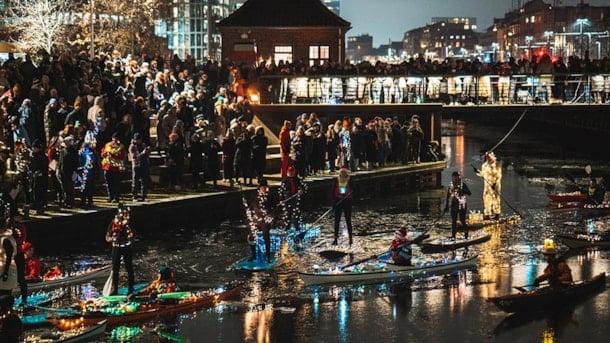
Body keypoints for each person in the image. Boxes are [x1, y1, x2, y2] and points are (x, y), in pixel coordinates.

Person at [104, 204, 135, 295]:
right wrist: (112, 239)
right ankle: (115, 289)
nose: (125, 216)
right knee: (115, 269)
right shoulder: (114, 222)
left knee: (129, 268)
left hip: (126, 247)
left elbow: (132, 234)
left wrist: (130, 236)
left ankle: (131, 288)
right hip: (116, 247)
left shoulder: (128, 223)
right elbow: (107, 236)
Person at [445, 171, 472, 239]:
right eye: (453, 178)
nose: (454, 180)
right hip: (454, 205)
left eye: (455, 178)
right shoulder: (451, 186)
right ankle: (453, 235)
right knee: (454, 221)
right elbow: (448, 196)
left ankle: (466, 235)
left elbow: (469, 193)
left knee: (462, 220)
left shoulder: (462, 185)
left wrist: (462, 191)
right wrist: (446, 205)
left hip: (462, 204)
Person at [101, 132, 127, 203]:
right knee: (108, 183)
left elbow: (121, 156)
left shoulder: (121, 147)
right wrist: (104, 154)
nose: (114, 140)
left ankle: (116, 197)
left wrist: (112, 154)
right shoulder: (107, 145)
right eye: (113, 138)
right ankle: (110, 196)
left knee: (116, 183)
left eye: (116, 139)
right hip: (107, 166)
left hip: (116, 167)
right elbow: (102, 153)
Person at [332, 166, 355, 246]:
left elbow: (353, 190)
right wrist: (334, 202)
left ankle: (351, 239)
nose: (343, 174)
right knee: (336, 221)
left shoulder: (350, 180)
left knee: (348, 220)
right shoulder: (336, 181)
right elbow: (333, 192)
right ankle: (335, 239)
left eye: (344, 173)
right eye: (341, 172)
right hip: (338, 201)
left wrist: (349, 195)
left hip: (347, 201)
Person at [279, 166, 306, 231]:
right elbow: (281, 191)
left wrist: (302, 190)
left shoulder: (298, 180)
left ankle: (297, 227)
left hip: (295, 199)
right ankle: (287, 227)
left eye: (292, 172)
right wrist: (281, 200)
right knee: (288, 214)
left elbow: (304, 187)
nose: (291, 173)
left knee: (296, 214)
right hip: (287, 200)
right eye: (290, 172)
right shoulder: (284, 180)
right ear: (288, 172)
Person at [476, 151, 502, 220]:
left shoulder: (497, 164)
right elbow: (483, 174)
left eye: (489, 156)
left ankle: (497, 214)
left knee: (496, 199)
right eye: (487, 156)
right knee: (486, 199)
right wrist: (477, 172)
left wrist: (495, 183)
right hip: (487, 186)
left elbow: (499, 175)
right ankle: (487, 214)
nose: (487, 158)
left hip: (495, 185)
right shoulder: (484, 165)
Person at [128, 132, 151, 202]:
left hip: (144, 164)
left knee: (144, 180)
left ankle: (144, 195)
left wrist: (148, 151)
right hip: (136, 165)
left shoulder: (143, 145)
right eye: (137, 139)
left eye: (139, 139)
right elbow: (134, 157)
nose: (138, 141)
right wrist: (142, 153)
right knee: (136, 181)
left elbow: (147, 155)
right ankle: (134, 196)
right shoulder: (132, 147)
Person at [0, 225, 17, 298]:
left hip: (6, 270)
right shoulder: (7, 238)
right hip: (6, 269)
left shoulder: (5, 239)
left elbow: (9, 255)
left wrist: (5, 272)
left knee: (4, 294)